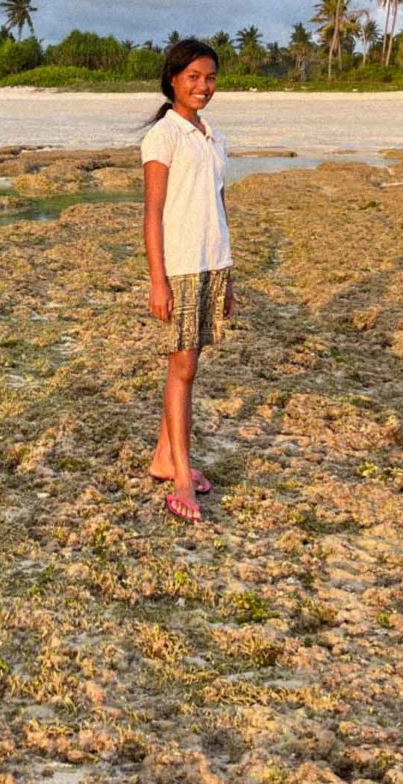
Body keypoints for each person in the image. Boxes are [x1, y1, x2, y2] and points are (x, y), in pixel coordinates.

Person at [141, 38, 233, 524]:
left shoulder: (212, 136)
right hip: (180, 267)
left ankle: (164, 457)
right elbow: (152, 213)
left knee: (188, 363)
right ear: (173, 79)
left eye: (210, 77)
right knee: (184, 369)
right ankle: (180, 477)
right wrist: (159, 281)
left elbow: (218, 204)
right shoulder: (165, 135)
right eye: (193, 77)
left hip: (212, 263)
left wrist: (229, 273)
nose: (203, 86)